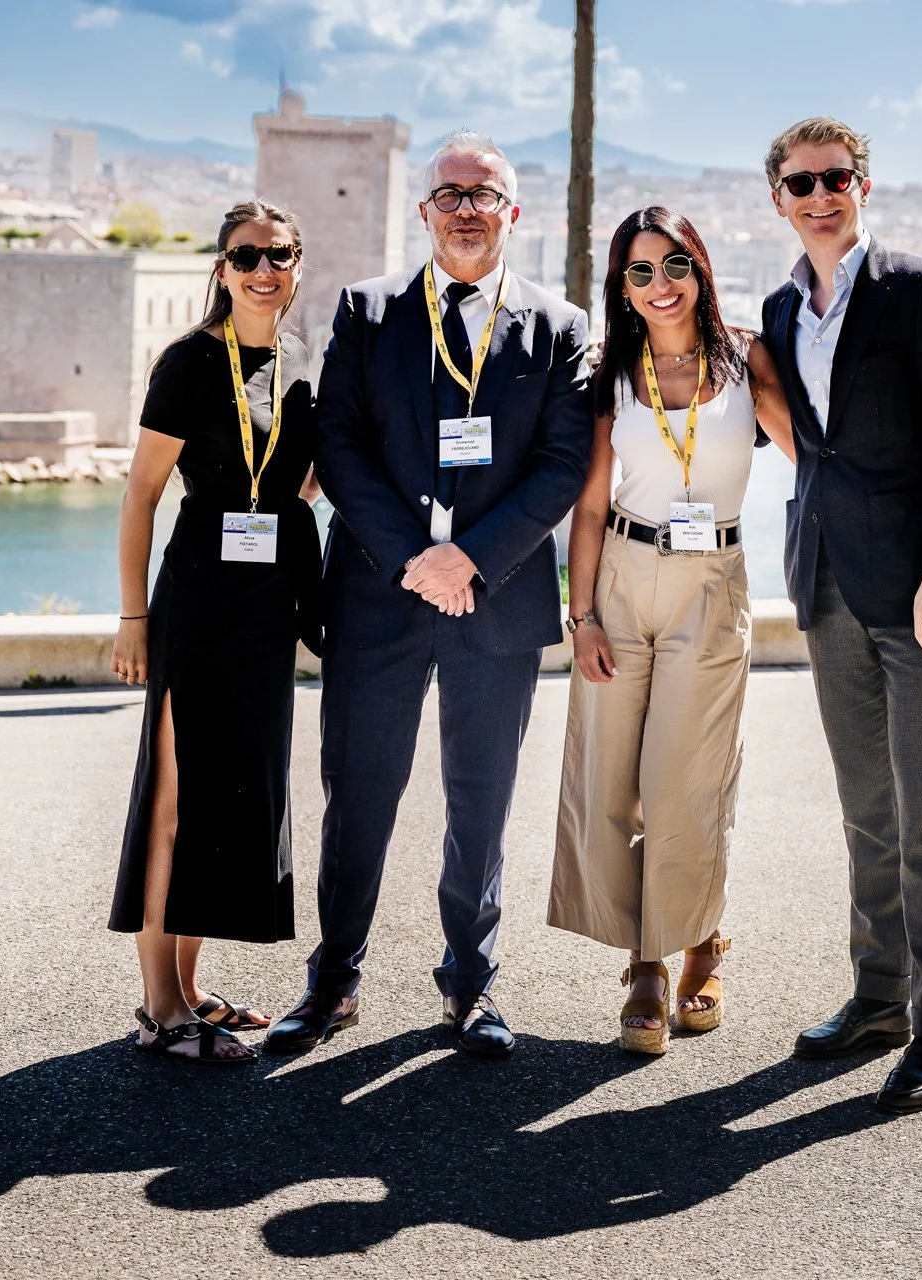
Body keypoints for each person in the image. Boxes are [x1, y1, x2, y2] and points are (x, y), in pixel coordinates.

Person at [261, 131, 592, 1059]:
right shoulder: (368, 313)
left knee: (480, 802)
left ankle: (471, 986)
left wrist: (468, 561)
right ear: (424, 212)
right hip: (378, 592)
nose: (464, 209)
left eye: (483, 194)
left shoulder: (559, 328)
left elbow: (562, 467)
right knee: (357, 794)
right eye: (449, 195)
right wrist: (416, 558)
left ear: (512, 213)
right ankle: (333, 984)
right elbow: (343, 446)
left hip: (498, 597)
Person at [758, 118, 922, 1111]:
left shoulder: (918, 286)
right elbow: (804, 444)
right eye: (801, 182)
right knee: (867, 806)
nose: (821, 195)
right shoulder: (779, 308)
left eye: (836, 178)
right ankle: (878, 994)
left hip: (919, 592)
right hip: (827, 585)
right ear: (778, 198)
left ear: (864, 184)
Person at [548, 207, 795, 1055]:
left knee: (689, 779)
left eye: (675, 265)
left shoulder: (745, 354)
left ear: (701, 269)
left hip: (711, 583)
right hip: (621, 577)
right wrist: (580, 617)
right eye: (640, 271)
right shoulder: (608, 371)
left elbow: (812, 454)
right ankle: (643, 961)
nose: (661, 286)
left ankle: (700, 945)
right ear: (620, 286)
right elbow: (586, 507)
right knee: (614, 778)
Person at [107, 200, 323, 1065]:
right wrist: (134, 617)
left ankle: (190, 990)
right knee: (175, 796)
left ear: (298, 265)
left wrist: (283, 524)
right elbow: (140, 497)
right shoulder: (190, 363)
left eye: (278, 255)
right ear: (222, 268)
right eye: (245, 257)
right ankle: (161, 1010)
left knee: (231, 798)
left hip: (265, 610)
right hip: (195, 601)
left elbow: (301, 480)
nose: (262, 270)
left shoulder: (303, 361)